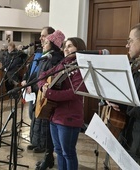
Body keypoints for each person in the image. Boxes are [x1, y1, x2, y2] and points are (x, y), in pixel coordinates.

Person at [108, 22, 140, 170]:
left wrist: (127, 104)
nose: (127, 45)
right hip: (128, 139)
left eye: (130, 40)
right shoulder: (134, 67)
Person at [37, 37, 87, 170]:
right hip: (55, 114)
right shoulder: (63, 64)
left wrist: (49, 94)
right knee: (58, 151)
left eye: (70, 46)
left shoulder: (82, 68)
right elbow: (43, 75)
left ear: (79, 48)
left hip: (69, 117)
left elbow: (74, 93)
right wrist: (43, 87)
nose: (65, 49)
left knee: (68, 153)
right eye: (65, 46)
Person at [21, 27, 64, 156]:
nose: (43, 43)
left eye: (46, 41)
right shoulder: (44, 57)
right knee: (35, 119)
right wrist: (28, 84)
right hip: (37, 91)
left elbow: (48, 79)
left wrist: (34, 87)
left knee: (43, 122)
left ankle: (43, 145)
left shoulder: (54, 59)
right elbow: (37, 74)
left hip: (45, 94)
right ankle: (36, 142)